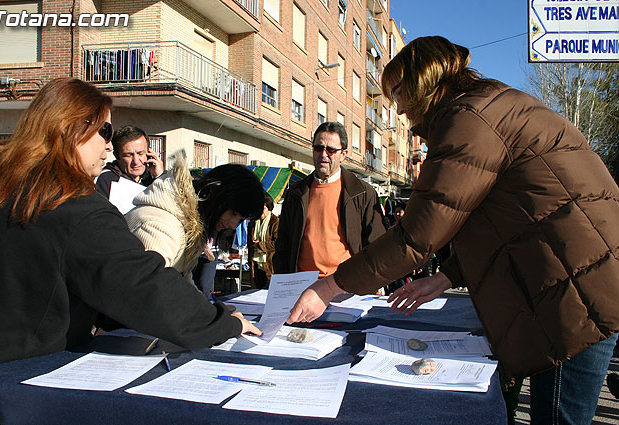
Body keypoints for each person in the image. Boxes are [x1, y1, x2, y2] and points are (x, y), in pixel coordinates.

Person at [287, 36, 619, 424]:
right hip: (575, 277)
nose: (396, 107)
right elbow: (504, 218)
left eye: (397, 92)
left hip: (572, 294)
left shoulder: (468, 122)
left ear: (422, 83)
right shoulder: (491, 108)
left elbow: (416, 235)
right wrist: (447, 276)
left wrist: (327, 287)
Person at [0, 78, 260, 365]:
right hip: (29, 370)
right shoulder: (77, 210)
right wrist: (225, 324)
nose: (109, 147)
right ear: (73, 128)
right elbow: (146, 288)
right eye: (105, 131)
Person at [125, 158, 266, 297]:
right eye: (233, 213)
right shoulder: (160, 227)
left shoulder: (186, 225)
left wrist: (212, 312)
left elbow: (183, 285)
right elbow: (150, 294)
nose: (233, 224)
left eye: (240, 219)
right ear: (214, 194)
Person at [273, 121, 386, 278]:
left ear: (343, 154)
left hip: (345, 285)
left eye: (331, 150)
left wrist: (371, 281)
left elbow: (376, 244)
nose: (323, 154)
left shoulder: (363, 193)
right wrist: (281, 281)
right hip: (301, 285)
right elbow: (283, 243)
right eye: (318, 148)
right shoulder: (296, 193)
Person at [95, 125, 164, 200]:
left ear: (149, 152)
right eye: (128, 155)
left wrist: (161, 177)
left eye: (140, 153)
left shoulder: (155, 177)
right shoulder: (105, 180)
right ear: (117, 156)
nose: (136, 161)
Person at [247, 192, 279, 289]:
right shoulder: (252, 223)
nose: (260, 211)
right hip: (255, 265)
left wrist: (260, 245)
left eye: (263, 208)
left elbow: (278, 243)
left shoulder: (275, 222)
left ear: (269, 208)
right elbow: (249, 244)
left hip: (270, 265)